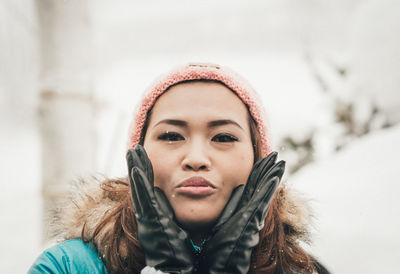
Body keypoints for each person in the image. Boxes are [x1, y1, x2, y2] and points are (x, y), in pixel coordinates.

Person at [29, 63, 329, 273]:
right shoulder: (65, 267)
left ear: (258, 159)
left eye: (223, 137)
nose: (196, 158)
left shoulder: (303, 271)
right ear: (138, 157)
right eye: (171, 136)